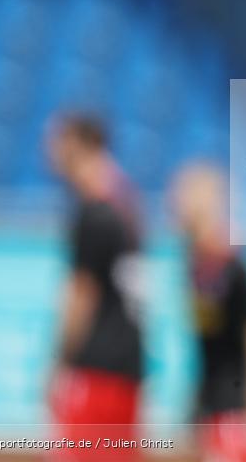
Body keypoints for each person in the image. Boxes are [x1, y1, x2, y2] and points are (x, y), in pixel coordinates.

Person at [45, 115, 144, 461]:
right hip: (126, 368)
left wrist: (59, 362)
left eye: (58, 141)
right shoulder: (125, 204)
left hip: (95, 370)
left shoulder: (94, 211)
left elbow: (81, 295)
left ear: (80, 144)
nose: (51, 151)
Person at [170, 164, 246, 462]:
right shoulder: (194, 263)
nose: (176, 203)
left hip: (233, 413)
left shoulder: (230, 265)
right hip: (209, 409)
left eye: (184, 195)